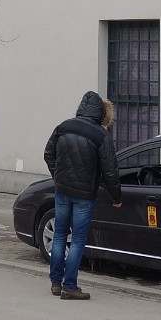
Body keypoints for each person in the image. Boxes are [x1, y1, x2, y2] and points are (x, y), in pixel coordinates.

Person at [42, 91, 122, 301]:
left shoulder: (63, 127)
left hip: (62, 191)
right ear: (100, 113)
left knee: (59, 235)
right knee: (77, 239)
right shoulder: (101, 135)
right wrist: (116, 197)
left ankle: (56, 283)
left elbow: (48, 154)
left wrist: (58, 177)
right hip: (84, 195)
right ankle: (70, 286)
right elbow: (110, 171)